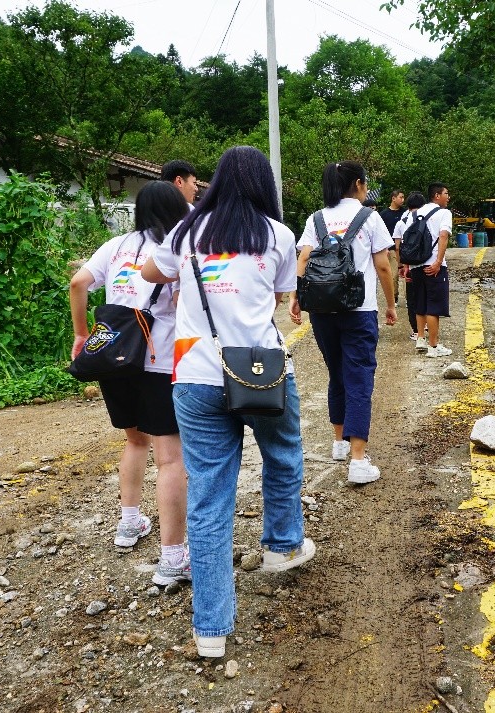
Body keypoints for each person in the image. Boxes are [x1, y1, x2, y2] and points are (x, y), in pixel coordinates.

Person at [142, 146, 313, 660]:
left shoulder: (186, 231)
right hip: (261, 369)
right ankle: (282, 545)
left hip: (195, 375)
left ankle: (211, 629)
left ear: (215, 181)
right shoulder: (278, 235)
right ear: (264, 185)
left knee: (210, 495)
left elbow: (151, 274)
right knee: (284, 454)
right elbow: (283, 296)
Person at [68, 181, 191, 586]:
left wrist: (81, 335)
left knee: (135, 441)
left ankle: (128, 524)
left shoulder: (115, 245)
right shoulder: (179, 246)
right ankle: (173, 557)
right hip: (160, 358)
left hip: (114, 356)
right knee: (170, 457)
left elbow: (78, 283)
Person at [289, 161, 397, 485]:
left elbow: (304, 259)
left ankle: (339, 442)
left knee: (336, 373)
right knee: (359, 377)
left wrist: (298, 297)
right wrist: (391, 304)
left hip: (322, 310)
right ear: (360, 184)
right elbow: (383, 267)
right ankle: (359, 460)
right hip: (359, 310)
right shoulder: (370, 217)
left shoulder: (316, 218)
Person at [406, 183, 454, 357]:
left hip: (416, 264)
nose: (448, 197)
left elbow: (407, 240)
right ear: (436, 195)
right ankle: (434, 347)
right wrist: (438, 262)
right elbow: (443, 236)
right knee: (434, 305)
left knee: (420, 302)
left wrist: (407, 266)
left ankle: (421, 339)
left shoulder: (415, 213)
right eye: (446, 193)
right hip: (433, 265)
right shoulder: (444, 213)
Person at [394, 191, 426, 340]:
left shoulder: (401, 222)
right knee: (426, 295)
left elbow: (398, 247)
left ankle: (415, 330)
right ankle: (426, 326)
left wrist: (401, 266)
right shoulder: (427, 219)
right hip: (427, 263)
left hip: (410, 264)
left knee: (412, 298)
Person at [379, 189, 406, 304]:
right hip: (391, 248)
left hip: (405, 248)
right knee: (394, 274)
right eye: (400, 197)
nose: (402, 200)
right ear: (393, 198)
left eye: (403, 197)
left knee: (407, 274)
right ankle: (394, 297)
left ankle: (408, 298)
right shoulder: (384, 214)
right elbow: (380, 232)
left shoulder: (405, 213)